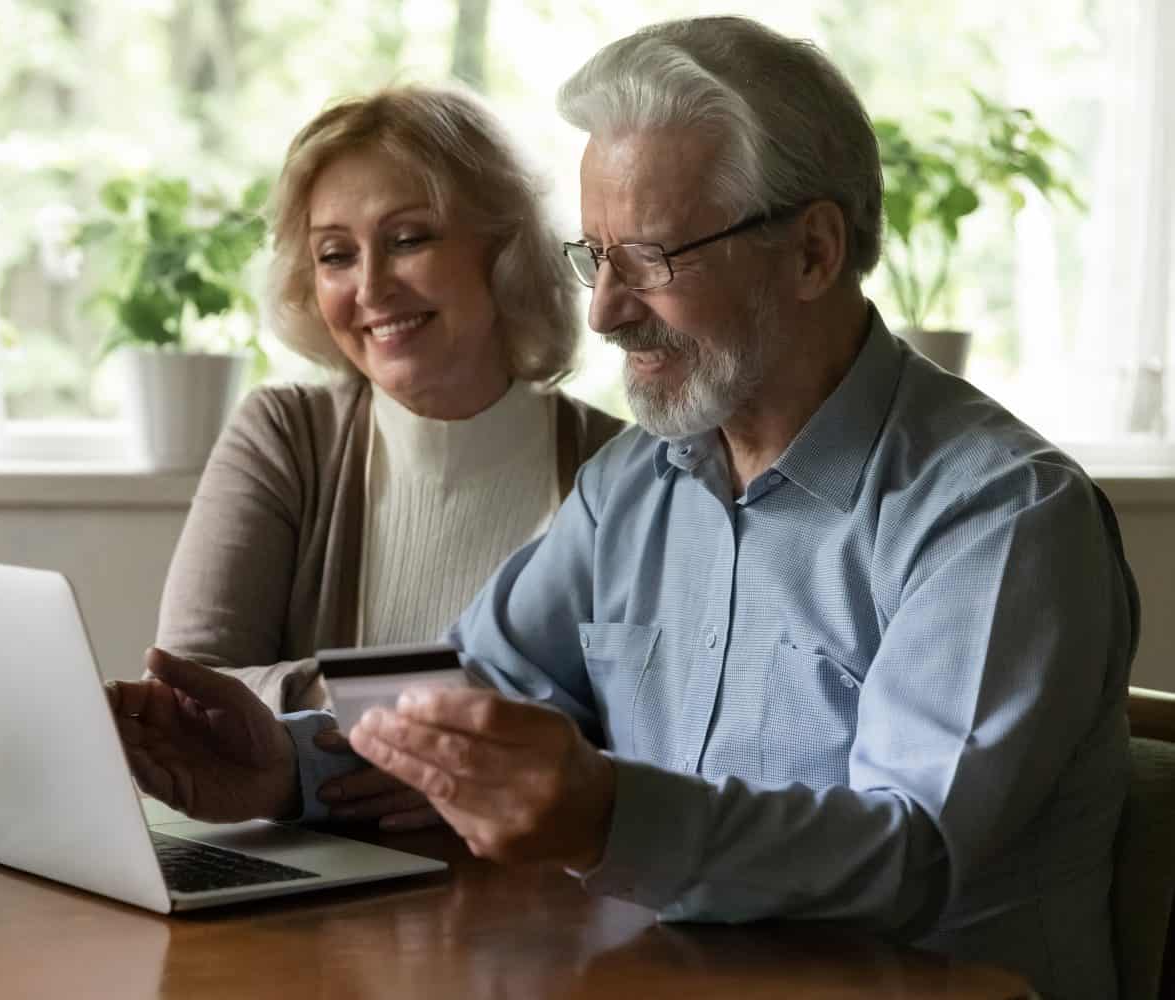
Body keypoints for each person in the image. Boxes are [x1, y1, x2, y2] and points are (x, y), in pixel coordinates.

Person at [109, 18, 1136, 999]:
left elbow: (909, 857)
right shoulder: (638, 481)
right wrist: (283, 763)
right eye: (596, 257)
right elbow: (479, 693)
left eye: (653, 256)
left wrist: (607, 816)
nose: (604, 310)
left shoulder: (1001, 516)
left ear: (815, 252)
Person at [146, 85, 622, 829]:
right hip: (307, 889)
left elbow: (656, 736)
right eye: (335, 255)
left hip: (535, 897)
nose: (370, 287)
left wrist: (458, 766)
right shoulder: (285, 434)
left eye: (408, 239)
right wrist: (427, 724)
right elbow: (190, 690)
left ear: (501, 251)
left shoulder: (621, 467)